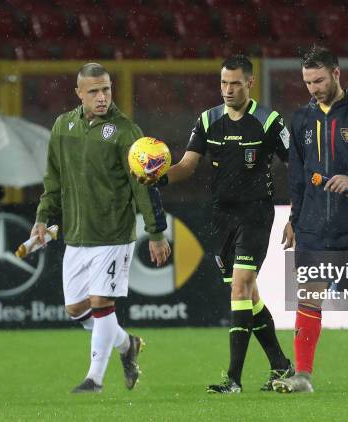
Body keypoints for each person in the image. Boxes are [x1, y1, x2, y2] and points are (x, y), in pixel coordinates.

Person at [137, 55, 293, 393]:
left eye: (235, 83)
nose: (228, 89)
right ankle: (281, 366)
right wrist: (159, 177)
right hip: (222, 215)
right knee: (248, 294)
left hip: (256, 213)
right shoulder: (208, 121)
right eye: (223, 82)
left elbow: (294, 166)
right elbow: (187, 165)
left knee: (239, 287)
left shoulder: (269, 121)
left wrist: (295, 215)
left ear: (250, 83)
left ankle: (233, 379)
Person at [32, 63, 171, 393]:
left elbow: (144, 186)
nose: (101, 96)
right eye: (93, 91)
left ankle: (94, 378)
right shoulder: (63, 126)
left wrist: (155, 231)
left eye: (106, 89)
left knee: (100, 304)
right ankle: (127, 345)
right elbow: (53, 179)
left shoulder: (126, 132)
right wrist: (42, 218)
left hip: (113, 234)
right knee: (77, 310)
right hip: (77, 236)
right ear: (79, 93)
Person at [273, 46, 348, 393]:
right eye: (308, 82)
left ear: (336, 74)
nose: (313, 87)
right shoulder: (300, 120)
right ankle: (303, 376)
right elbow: (296, 176)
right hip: (313, 227)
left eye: (319, 80)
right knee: (308, 295)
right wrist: (294, 218)